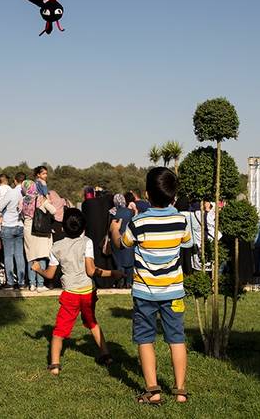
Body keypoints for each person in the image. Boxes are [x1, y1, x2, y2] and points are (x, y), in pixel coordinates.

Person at [110, 167, 193, 405]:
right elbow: (186, 243)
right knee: (176, 338)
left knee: (145, 338)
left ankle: (153, 391)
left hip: (145, 292)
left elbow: (123, 244)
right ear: (173, 195)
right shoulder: (180, 219)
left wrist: (115, 231)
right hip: (174, 290)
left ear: (146, 194)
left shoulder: (139, 221)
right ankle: (180, 392)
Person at [32, 208, 122, 375]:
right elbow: (91, 271)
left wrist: (38, 269)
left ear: (63, 227)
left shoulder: (56, 247)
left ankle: (55, 364)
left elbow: (50, 274)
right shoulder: (87, 242)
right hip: (87, 292)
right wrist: (112, 273)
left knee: (59, 331)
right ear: (83, 228)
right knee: (92, 323)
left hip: (70, 294)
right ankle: (106, 355)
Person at [22, 178, 56, 292]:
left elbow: (20, 213)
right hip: (40, 229)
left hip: (27, 229)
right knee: (41, 255)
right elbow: (53, 211)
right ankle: (40, 284)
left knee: (31, 256)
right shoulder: (41, 199)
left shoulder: (22, 200)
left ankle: (32, 284)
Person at [0, 175, 25, 289]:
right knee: (19, 255)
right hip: (20, 225)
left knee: (8, 255)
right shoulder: (25, 193)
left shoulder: (11, 192)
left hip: (8, 225)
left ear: (15, 181)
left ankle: (10, 282)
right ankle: (21, 281)